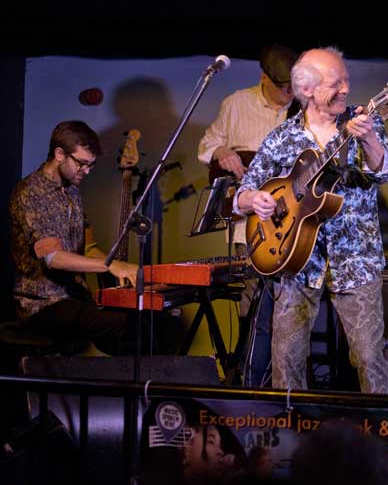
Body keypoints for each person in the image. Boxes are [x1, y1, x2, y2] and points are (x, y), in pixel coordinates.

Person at [235, 46, 388, 393]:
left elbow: (383, 173)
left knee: (369, 358)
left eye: (346, 80)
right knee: (286, 359)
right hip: (294, 258)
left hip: (356, 259)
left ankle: (384, 422)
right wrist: (255, 200)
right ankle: (290, 425)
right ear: (306, 90)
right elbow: (244, 192)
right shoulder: (282, 137)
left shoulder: (364, 122)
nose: (346, 89)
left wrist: (368, 138)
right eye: (335, 83)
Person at [8, 120, 184, 354]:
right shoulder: (30, 192)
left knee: (160, 320)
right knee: (128, 326)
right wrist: (110, 265)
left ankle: (149, 376)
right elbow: (53, 258)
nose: (87, 171)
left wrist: (123, 267)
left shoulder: (71, 191)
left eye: (90, 165)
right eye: (82, 164)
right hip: (42, 305)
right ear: (59, 154)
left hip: (76, 298)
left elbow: (89, 246)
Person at [197, 43, 298, 388]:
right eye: (283, 87)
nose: (290, 93)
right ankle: (249, 380)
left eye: (294, 86)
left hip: (294, 227)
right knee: (251, 304)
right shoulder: (236, 104)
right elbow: (206, 146)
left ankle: (281, 383)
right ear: (264, 78)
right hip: (249, 227)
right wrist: (222, 151)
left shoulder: (303, 109)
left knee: (287, 310)